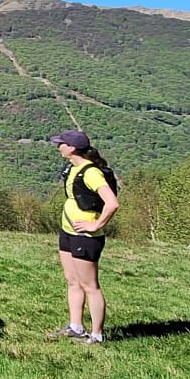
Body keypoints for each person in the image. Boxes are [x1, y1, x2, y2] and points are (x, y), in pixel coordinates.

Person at [50, 128, 118, 344]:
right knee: (72, 281)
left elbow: (112, 203)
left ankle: (97, 334)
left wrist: (96, 224)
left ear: (72, 148)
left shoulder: (90, 173)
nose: (58, 147)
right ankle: (76, 327)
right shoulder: (73, 168)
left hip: (85, 236)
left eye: (61, 144)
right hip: (69, 232)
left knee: (90, 286)